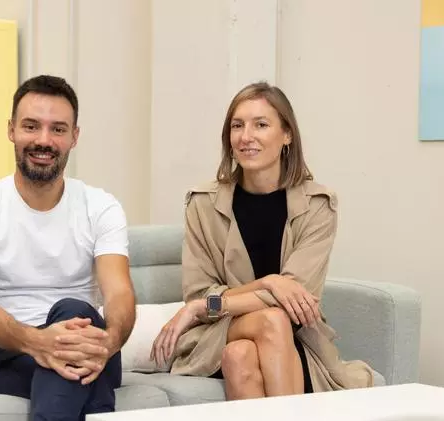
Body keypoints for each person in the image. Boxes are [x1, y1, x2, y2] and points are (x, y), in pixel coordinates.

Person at [151, 81, 374, 399]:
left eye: (261, 125)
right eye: (237, 125)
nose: (246, 136)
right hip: (219, 331)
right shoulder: (202, 204)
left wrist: (206, 305)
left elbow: (297, 299)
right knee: (271, 320)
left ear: (287, 135)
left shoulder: (317, 205)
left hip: (292, 333)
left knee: (241, 353)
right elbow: (200, 294)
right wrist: (269, 283)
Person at [0, 75, 136, 421]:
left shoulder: (101, 207)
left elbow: (120, 294)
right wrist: (39, 343)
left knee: (73, 310)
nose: (43, 140)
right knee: (80, 379)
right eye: (31, 126)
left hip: (92, 344)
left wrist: (108, 343)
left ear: (74, 136)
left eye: (58, 129)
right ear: (11, 130)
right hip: (7, 352)